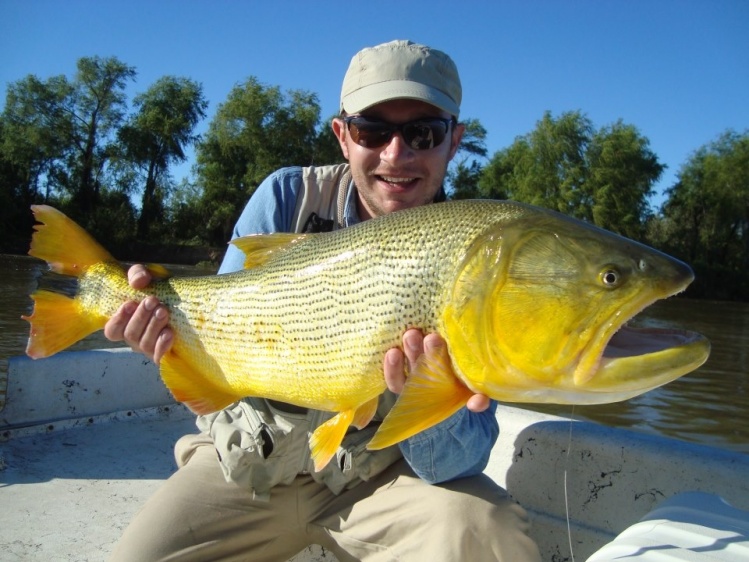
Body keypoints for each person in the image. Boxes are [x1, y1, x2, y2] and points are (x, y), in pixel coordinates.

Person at [105, 40, 541, 562]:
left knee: (487, 534)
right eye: (372, 131)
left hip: (379, 480)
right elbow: (214, 323)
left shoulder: (478, 254)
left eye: (422, 133)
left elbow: (458, 464)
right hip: (251, 467)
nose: (395, 154)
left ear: (454, 141)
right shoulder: (285, 197)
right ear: (342, 136)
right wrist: (157, 325)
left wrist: (423, 394)